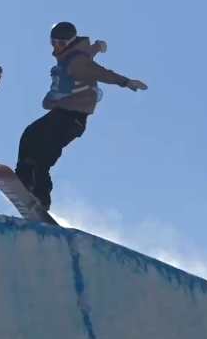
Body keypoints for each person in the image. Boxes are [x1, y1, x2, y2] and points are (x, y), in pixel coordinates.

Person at [14, 21, 147, 210]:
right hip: (68, 117)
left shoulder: (77, 63)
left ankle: (28, 181)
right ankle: (36, 190)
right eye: (53, 43)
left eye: (60, 43)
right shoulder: (72, 56)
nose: (56, 47)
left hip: (70, 117)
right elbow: (89, 51)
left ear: (69, 42)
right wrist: (99, 46)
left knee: (34, 137)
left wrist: (126, 82)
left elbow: (102, 73)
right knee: (39, 148)